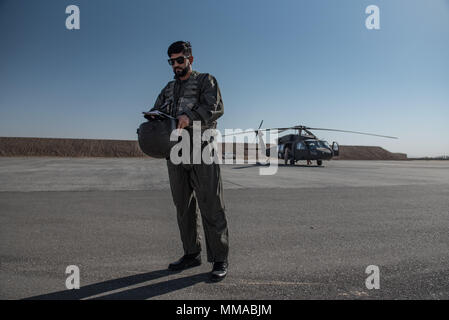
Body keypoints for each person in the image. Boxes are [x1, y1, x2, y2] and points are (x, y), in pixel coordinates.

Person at [150, 41, 229, 282]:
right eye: (171, 61)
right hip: (176, 152)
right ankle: (191, 253)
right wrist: (153, 117)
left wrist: (189, 116)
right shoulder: (168, 88)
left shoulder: (206, 80)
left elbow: (215, 108)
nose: (175, 65)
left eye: (179, 60)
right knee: (182, 206)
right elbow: (158, 109)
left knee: (211, 204)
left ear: (190, 60)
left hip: (202, 148)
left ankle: (219, 258)